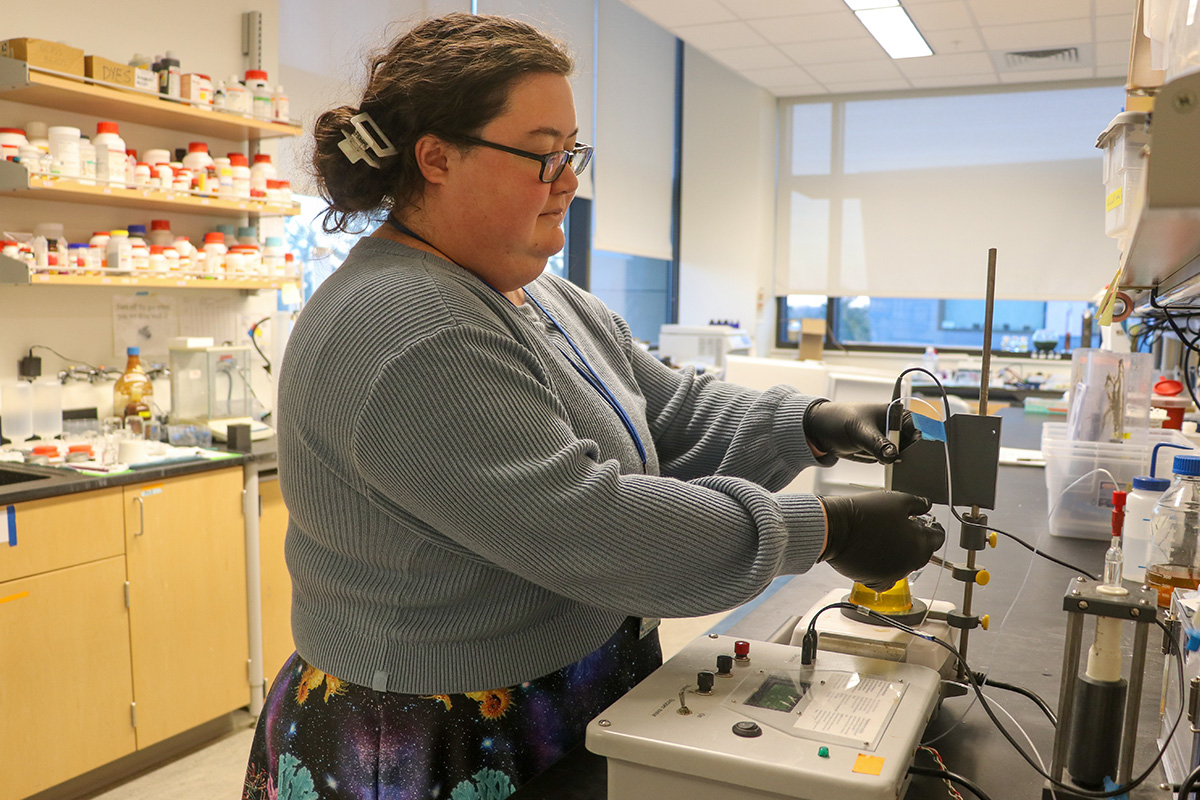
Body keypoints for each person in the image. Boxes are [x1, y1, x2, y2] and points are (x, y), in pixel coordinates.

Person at [242, 13, 943, 800]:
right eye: (543, 155)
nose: (569, 180)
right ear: (436, 158)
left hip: (562, 687)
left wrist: (805, 425)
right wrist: (826, 530)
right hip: (438, 732)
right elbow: (593, 526)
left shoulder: (537, 293)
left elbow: (668, 413)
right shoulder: (407, 325)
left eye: (571, 152)